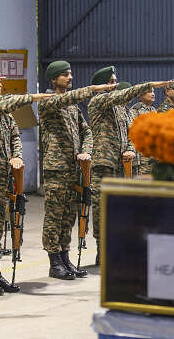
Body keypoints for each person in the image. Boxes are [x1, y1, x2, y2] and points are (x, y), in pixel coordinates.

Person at [0, 63, 52, 293]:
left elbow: (15, 134)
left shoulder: (4, 107)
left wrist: (16, 156)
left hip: (4, 174)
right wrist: (30, 98)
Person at [87, 65, 174, 265]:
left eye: (115, 81)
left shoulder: (120, 110)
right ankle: (103, 251)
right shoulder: (98, 101)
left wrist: (130, 149)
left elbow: (129, 134)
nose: (115, 85)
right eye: (110, 82)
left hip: (120, 163)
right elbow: (120, 96)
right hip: (104, 163)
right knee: (102, 208)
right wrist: (149, 85)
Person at [39, 60, 116, 280]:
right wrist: (93, 89)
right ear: (54, 79)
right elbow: (66, 98)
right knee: (54, 216)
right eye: (64, 75)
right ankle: (54, 262)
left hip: (74, 168)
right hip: (56, 168)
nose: (70, 77)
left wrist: (86, 151)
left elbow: (87, 132)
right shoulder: (48, 101)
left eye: (70, 74)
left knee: (68, 216)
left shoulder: (73, 108)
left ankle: (65, 257)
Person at [130, 86, 157, 175]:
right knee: (142, 183)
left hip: (153, 155)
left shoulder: (154, 110)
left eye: (153, 91)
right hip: (142, 156)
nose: (153, 94)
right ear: (141, 95)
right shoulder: (135, 110)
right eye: (149, 92)